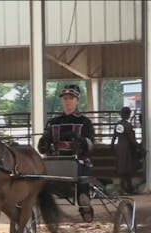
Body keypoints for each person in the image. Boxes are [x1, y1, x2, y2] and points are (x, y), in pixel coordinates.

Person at [37, 84, 96, 222]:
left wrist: (80, 140)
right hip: (55, 162)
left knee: (81, 172)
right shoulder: (53, 122)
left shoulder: (85, 122)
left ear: (77, 101)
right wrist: (44, 142)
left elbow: (90, 145)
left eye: (71, 98)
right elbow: (42, 148)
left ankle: (84, 203)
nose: (67, 100)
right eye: (65, 98)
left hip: (77, 162)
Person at [110, 106, 140, 195]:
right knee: (127, 168)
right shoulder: (128, 126)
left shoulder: (119, 125)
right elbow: (132, 140)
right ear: (128, 115)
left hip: (120, 147)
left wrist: (111, 146)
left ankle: (124, 187)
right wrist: (139, 146)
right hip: (127, 148)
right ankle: (127, 188)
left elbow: (114, 136)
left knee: (122, 168)